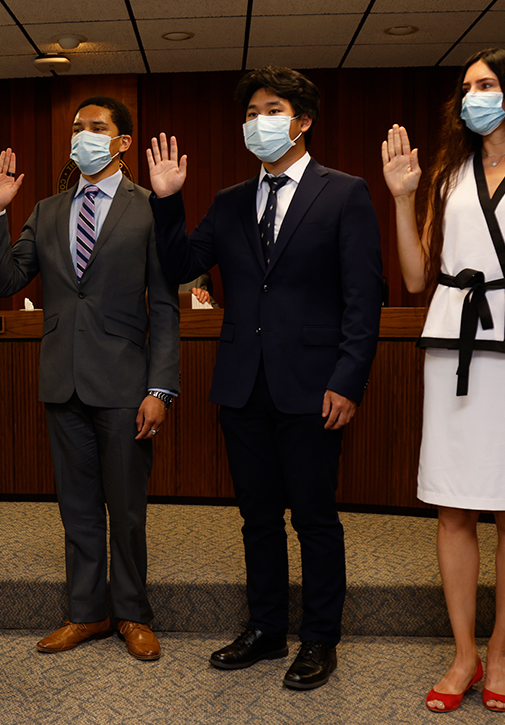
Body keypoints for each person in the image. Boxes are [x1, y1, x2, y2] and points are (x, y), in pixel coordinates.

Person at [147, 67, 382, 689]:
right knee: (256, 518)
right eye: (250, 113)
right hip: (242, 384)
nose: (257, 123)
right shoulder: (228, 201)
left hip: (314, 384)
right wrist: (168, 199)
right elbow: (182, 266)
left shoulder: (345, 192)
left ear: (303, 120)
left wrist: (349, 379)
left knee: (314, 517)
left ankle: (320, 639)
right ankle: (267, 628)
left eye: (271, 110)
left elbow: (365, 298)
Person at [381, 48, 505, 713]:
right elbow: (416, 278)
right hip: (453, 348)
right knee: (453, 504)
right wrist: (403, 199)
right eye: (467, 86)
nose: (473, 95)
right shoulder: (448, 173)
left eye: (487, 84)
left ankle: (502, 650)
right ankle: (464, 651)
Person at [0, 96, 180, 661]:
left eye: (97, 128)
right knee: (77, 507)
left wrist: (160, 388)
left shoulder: (148, 208)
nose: (82, 135)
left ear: (123, 143)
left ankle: (133, 614)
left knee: (126, 507)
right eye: (76, 127)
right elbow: (5, 282)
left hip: (126, 383)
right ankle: (87, 613)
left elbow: (163, 306)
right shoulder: (45, 210)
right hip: (62, 380)